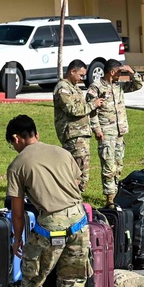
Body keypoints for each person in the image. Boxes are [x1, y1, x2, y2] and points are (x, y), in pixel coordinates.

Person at [5, 115, 89, 287]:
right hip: (79, 221)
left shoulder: (17, 165)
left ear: (16, 138)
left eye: (13, 143)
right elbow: (75, 183)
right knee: (72, 280)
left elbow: (18, 214)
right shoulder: (63, 153)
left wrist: (17, 240)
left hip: (50, 226)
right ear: (36, 134)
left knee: (32, 280)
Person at [89, 59, 143, 205]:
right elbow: (91, 111)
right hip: (106, 132)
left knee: (118, 165)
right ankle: (110, 198)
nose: (121, 75)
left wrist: (132, 72)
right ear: (112, 72)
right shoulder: (96, 87)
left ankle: (116, 192)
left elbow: (138, 85)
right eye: (119, 72)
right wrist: (97, 129)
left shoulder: (118, 86)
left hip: (119, 132)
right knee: (108, 166)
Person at [53, 59, 102, 193]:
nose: (81, 79)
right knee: (78, 171)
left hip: (81, 134)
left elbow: (83, 109)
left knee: (82, 170)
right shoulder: (63, 87)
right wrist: (93, 104)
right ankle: (73, 199)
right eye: (80, 75)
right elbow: (72, 109)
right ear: (72, 71)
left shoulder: (75, 88)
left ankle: (75, 199)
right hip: (73, 135)